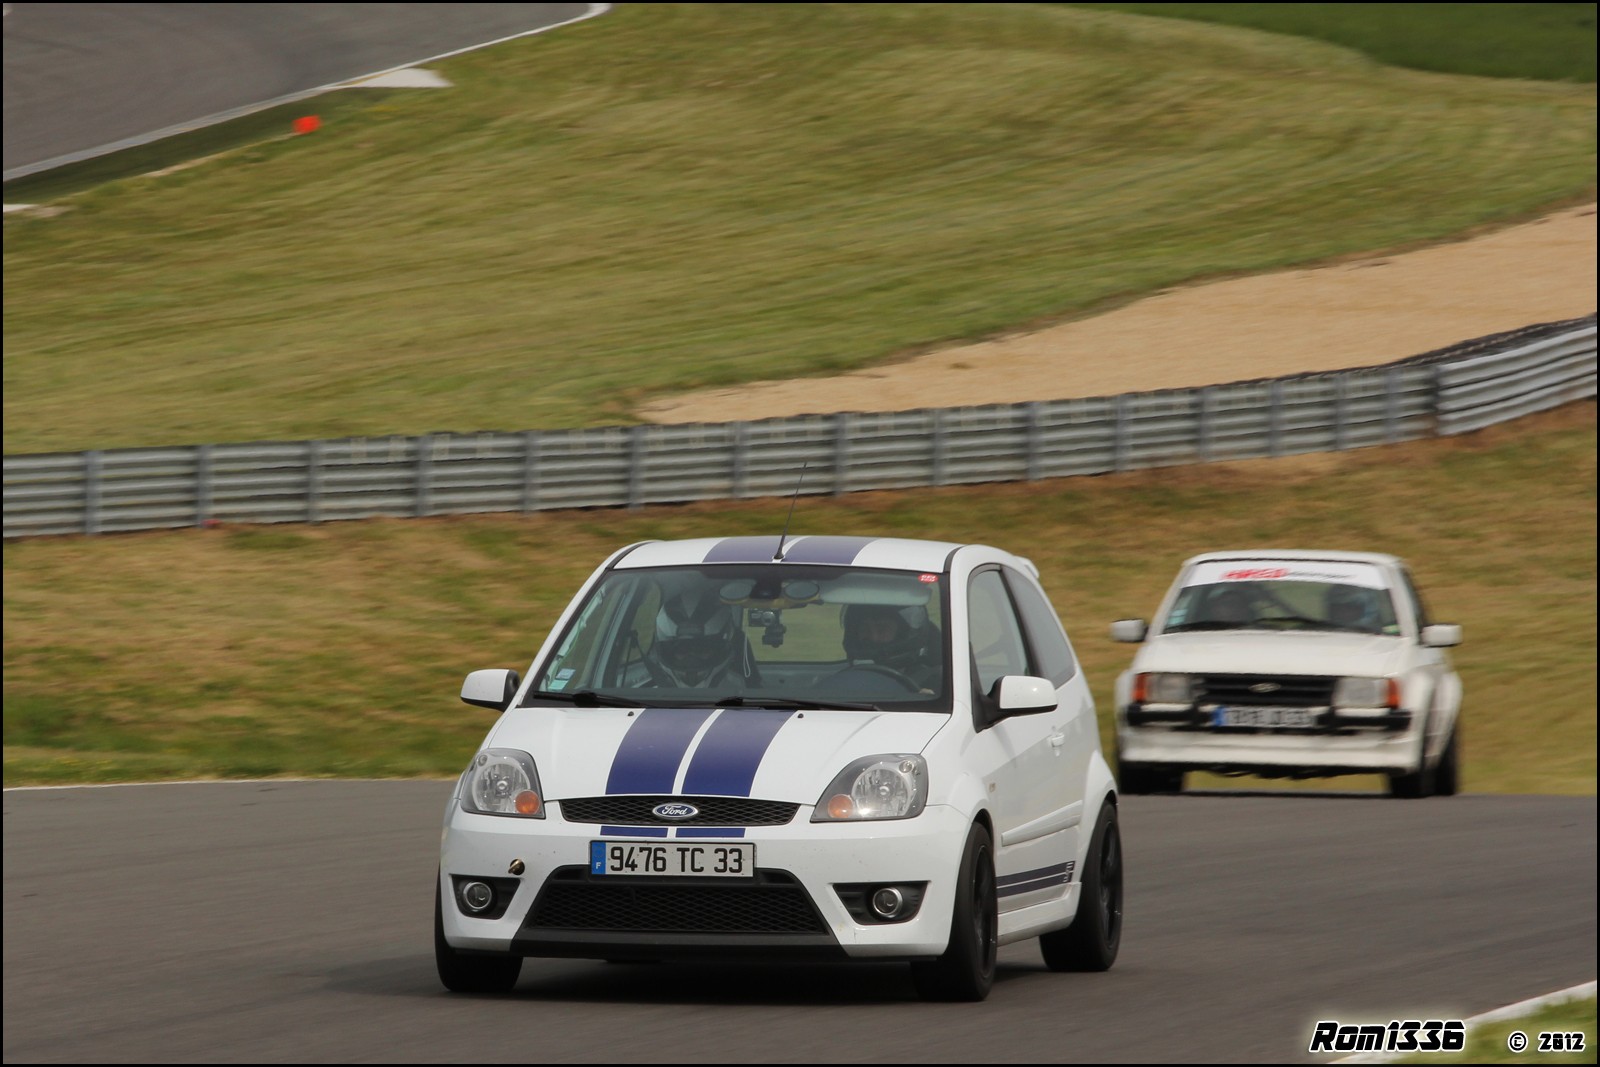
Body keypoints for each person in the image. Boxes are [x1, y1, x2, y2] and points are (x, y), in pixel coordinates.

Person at [648, 590, 749, 688]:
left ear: (720, 651)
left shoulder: (740, 692)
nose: (691, 660)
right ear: (667, 654)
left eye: (701, 650)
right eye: (682, 651)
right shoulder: (648, 695)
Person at [841, 604, 940, 689]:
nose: (873, 636)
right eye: (864, 627)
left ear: (902, 633)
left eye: (882, 628)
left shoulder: (932, 683)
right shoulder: (846, 679)